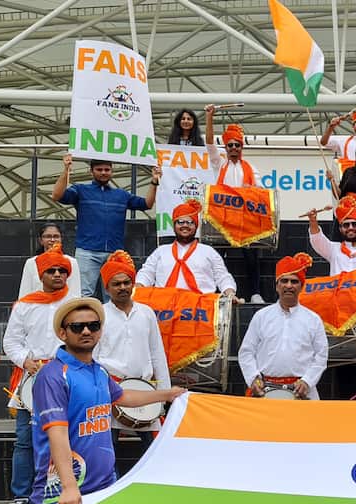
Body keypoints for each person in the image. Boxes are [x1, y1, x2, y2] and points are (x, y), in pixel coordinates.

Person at [32, 297, 183, 504]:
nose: (86, 331)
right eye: (77, 326)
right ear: (63, 333)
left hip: (100, 490)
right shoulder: (52, 376)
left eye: (93, 325)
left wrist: (168, 394)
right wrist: (69, 486)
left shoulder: (98, 372)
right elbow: (57, 435)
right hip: (63, 495)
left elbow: (123, 397)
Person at [1, 244, 72, 504]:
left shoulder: (75, 303)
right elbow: (11, 342)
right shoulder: (25, 305)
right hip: (31, 379)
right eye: (51, 271)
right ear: (41, 275)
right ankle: (22, 502)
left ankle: (65, 491)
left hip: (67, 377)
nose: (57, 274)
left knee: (69, 436)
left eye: (61, 271)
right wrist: (26, 361)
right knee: (24, 441)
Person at [51, 154, 160, 301]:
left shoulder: (121, 194)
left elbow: (147, 204)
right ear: (91, 171)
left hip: (114, 254)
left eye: (107, 169)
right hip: (87, 251)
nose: (103, 172)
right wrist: (66, 170)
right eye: (99, 169)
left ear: (112, 171)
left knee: (113, 296)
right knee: (84, 295)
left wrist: (154, 181)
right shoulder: (81, 190)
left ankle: (111, 325)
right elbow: (57, 195)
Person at [93, 251, 171, 449]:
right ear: (107, 288)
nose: (122, 288)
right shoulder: (99, 314)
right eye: (116, 284)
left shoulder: (146, 313)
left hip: (144, 391)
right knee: (106, 452)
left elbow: (157, 354)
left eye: (127, 282)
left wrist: (164, 394)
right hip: (110, 391)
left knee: (154, 451)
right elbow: (92, 356)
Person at [237, 253, 328, 399]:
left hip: (302, 391)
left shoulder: (313, 319)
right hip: (264, 390)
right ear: (277, 286)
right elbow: (246, 352)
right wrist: (253, 378)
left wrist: (307, 381)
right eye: (284, 281)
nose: (289, 286)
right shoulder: (262, 316)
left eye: (294, 281)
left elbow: (321, 356)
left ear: (301, 286)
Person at [204, 103, 266, 304]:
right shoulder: (220, 163)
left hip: (244, 218)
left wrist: (252, 189)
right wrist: (210, 117)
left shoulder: (251, 168)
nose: (233, 148)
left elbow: (261, 191)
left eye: (236, 145)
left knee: (251, 256)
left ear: (241, 147)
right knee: (217, 256)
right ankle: (216, 291)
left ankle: (255, 293)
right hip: (222, 217)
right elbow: (209, 143)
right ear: (226, 147)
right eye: (229, 145)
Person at [135, 200, 237, 297]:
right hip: (165, 307)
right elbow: (147, 272)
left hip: (200, 308)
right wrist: (137, 288)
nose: (185, 225)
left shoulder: (208, 251)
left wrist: (230, 294)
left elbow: (222, 276)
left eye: (190, 222)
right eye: (180, 222)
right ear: (174, 225)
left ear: (196, 226)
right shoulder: (161, 251)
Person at [307, 198, 356, 275]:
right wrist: (313, 221)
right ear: (340, 229)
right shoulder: (334, 249)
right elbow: (317, 239)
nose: (350, 228)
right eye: (346, 225)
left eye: (354, 224)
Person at [19, 222, 81, 301]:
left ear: (61, 239)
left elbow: (75, 293)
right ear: (41, 240)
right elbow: (24, 293)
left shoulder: (72, 262)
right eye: (48, 236)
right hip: (37, 308)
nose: (52, 240)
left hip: (64, 309)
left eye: (56, 236)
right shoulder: (31, 263)